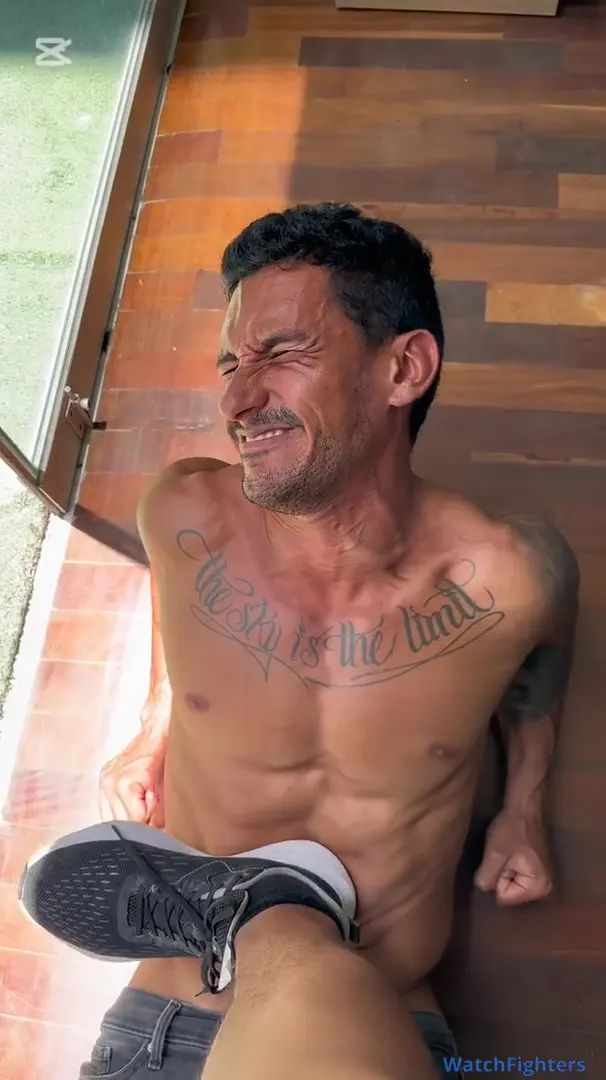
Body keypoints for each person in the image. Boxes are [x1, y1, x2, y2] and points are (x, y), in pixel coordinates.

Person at [19, 203, 579, 1080]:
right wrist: (157, 721)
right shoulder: (185, 514)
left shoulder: (512, 578)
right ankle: (266, 913)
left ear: (403, 368)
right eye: (230, 363)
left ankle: (255, 913)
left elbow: (543, 655)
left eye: (280, 354)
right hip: (165, 1014)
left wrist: (524, 809)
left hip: (382, 1017)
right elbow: (178, 599)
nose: (236, 400)